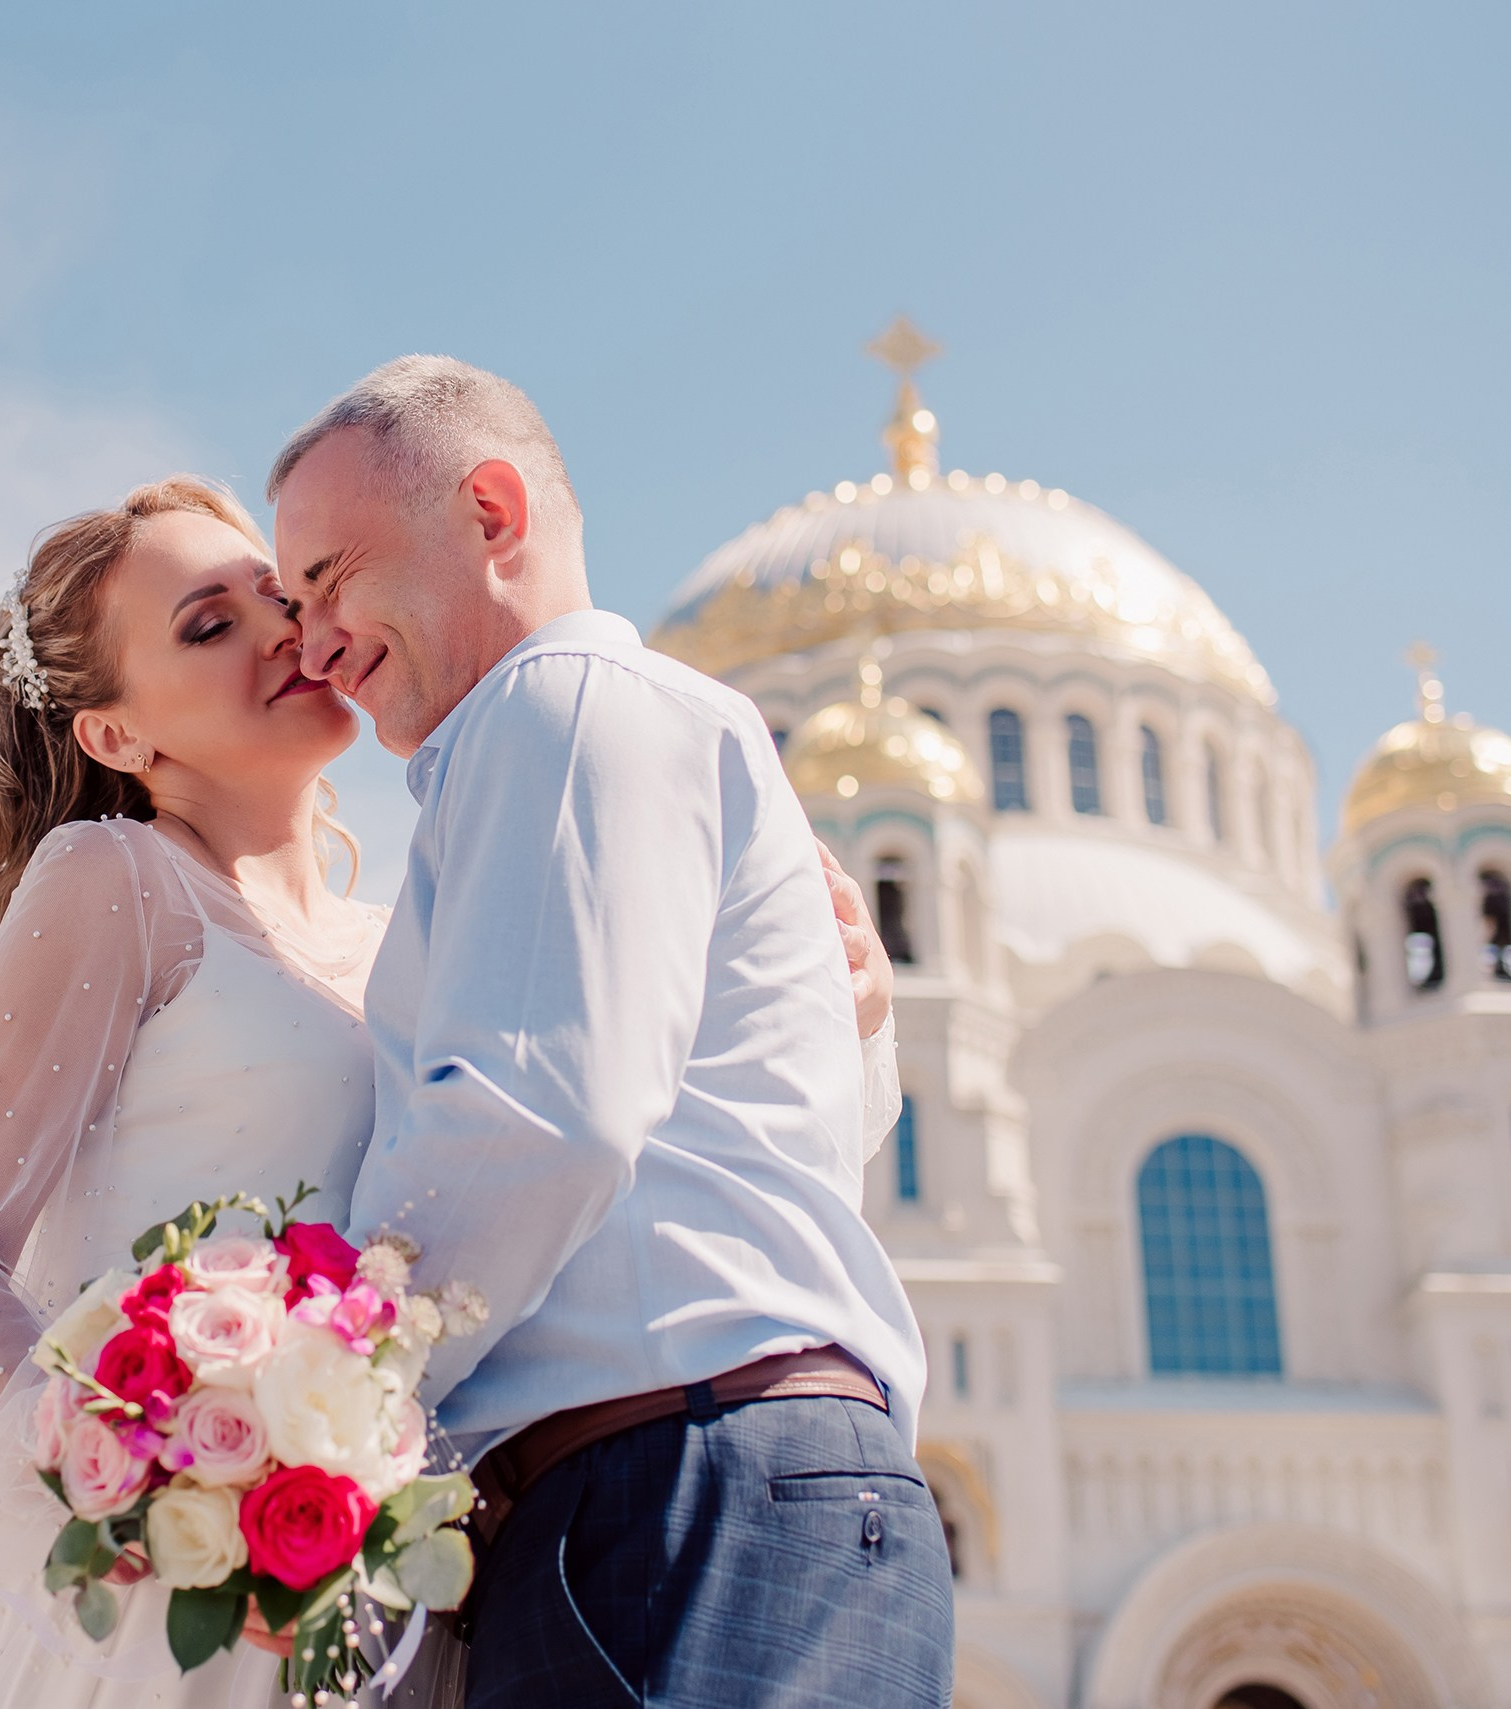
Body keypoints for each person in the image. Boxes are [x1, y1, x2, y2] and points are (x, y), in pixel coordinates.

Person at [0, 474, 897, 1708]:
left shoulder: (419, 925)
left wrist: (846, 1014)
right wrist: (125, 1494)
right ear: (116, 735)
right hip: (161, 1600)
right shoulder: (114, 879)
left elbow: (595, 1167)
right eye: (207, 626)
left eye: (279, 593)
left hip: (400, 1597)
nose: (278, 632)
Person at [269, 355, 949, 1709]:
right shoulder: (639, 735)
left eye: (330, 577)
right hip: (745, 1488)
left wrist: (306, 1405)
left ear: (493, 511)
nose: (310, 642)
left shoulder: (553, 707)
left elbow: (539, 1117)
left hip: (675, 1496)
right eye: (291, 608)